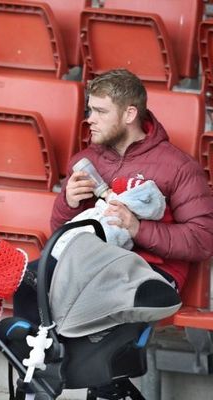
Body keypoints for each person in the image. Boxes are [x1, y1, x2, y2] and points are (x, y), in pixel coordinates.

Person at [13, 68, 213, 325]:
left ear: (130, 114)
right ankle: (34, 353)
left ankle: (65, 354)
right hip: (91, 266)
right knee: (31, 279)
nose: (90, 120)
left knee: (86, 291)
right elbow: (63, 234)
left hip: (148, 271)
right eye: (90, 110)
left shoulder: (178, 166)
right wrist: (69, 203)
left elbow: (203, 239)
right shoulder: (86, 161)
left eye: (101, 112)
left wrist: (137, 228)